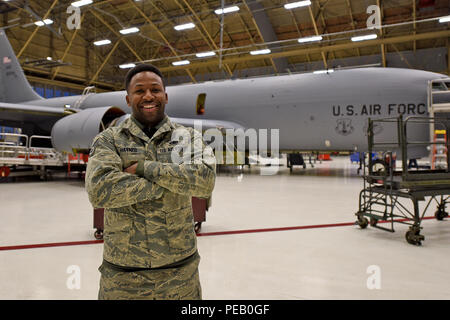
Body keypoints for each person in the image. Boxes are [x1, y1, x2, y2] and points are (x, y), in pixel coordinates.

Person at [85, 64, 216, 300]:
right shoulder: (109, 139)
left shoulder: (187, 137)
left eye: (155, 89)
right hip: (124, 278)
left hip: (179, 275)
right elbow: (100, 190)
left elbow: (205, 181)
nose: (148, 96)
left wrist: (146, 168)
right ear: (128, 98)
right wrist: (174, 181)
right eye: (139, 90)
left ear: (165, 96)